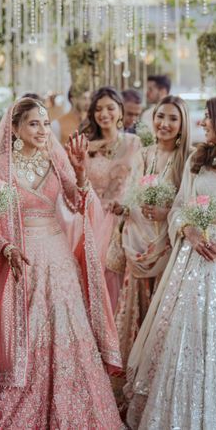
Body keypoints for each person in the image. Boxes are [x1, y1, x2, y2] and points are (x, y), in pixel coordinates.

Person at [0, 97, 123, 429]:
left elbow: (77, 200)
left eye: (44, 123)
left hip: (57, 258)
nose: (42, 130)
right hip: (20, 259)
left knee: (64, 324)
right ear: (14, 128)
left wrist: (81, 172)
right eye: (33, 124)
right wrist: (5, 247)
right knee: (28, 331)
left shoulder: (56, 159)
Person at [125, 92, 216, 430]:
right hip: (195, 262)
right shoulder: (198, 159)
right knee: (191, 342)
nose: (202, 122)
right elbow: (179, 208)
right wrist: (189, 231)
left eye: (208, 117)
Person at [113, 97, 191, 384]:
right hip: (138, 244)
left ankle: (158, 381)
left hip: (169, 247)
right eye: (160, 116)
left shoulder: (189, 159)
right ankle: (131, 380)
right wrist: (123, 209)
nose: (164, 124)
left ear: (182, 124)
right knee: (136, 311)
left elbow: (191, 206)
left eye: (172, 118)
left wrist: (166, 212)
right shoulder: (143, 154)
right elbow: (131, 193)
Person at [82, 87, 143, 313]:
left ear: (120, 111)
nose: (104, 114)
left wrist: (129, 207)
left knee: (121, 278)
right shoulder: (86, 147)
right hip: (94, 219)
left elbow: (140, 183)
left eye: (110, 108)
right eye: (98, 109)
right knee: (96, 276)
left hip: (125, 221)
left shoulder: (134, 143)